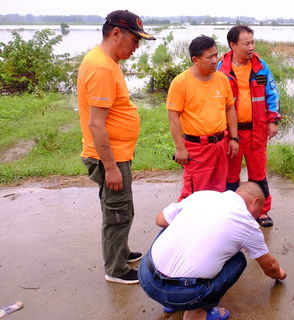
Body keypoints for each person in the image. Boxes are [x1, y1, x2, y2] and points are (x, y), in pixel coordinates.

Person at [78, 10, 156, 284]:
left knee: (121, 209)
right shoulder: (101, 67)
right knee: (117, 213)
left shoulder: (107, 61)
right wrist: (110, 167)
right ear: (115, 33)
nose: (137, 46)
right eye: (135, 39)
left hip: (117, 154)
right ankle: (116, 269)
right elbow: (96, 124)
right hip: (110, 158)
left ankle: (120, 252)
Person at [138, 182, 287, 319]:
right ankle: (197, 313)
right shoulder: (247, 223)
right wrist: (280, 274)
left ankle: (170, 304)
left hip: (145, 277)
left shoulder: (202, 195)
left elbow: (160, 220)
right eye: (258, 212)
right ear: (255, 202)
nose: (255, 218)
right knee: (238, 260)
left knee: (171, 223)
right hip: (184, 295)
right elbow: (270, 268)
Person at [217, 25, 282, 227]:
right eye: (246, 43)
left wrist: (273, 120)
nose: (251, 47)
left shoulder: (260, 66)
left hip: (257, 131)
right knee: (230, 177)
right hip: (232, 134)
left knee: (258, 174)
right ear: (233, 45)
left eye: (253, 42)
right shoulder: (221, 69)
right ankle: (232, 212)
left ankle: (262, 211)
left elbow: (272, 94)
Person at [167, 35, 239, 201]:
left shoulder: (222, 79)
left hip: (221, 145)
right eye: (209, 57)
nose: (215, 60)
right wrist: (180, 148)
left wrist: (234, 138)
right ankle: (180, 224)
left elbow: (230, 109)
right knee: (193, 195)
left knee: (218, 191)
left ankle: (212, 224)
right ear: (195, 59)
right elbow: (173, 118)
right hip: (197, 149)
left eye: (216, 55)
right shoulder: (181, 83)